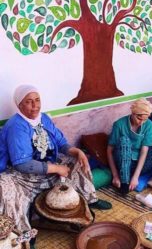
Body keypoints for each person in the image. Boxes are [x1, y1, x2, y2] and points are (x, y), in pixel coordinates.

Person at [0, 85, 111, 232]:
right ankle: (23, 235)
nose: (35, 105)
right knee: (5, 187)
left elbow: (61, 142)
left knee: (77, 161)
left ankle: (88, 199)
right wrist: (57, 168)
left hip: (48, 165)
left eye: (37, 100)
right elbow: (22, 164)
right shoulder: (16, 126)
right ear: (19, 105)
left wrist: (76, 151)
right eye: (29, 101)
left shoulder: (44, 118)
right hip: (24, 175)